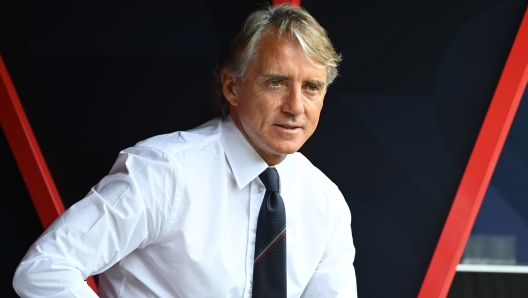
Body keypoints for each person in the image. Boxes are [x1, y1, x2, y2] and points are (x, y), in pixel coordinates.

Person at [13, 4, 356, 297]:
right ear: (232, 87)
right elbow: (44, 268)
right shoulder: (165, 171)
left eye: (312, 87)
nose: (296, 106)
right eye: (276, 82)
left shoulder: (326, 202)